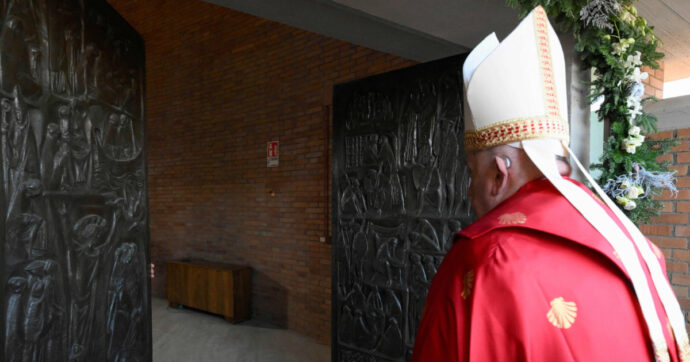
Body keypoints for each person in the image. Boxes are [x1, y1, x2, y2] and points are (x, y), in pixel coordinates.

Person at [411, 6, 689, 362]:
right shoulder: (633, 244)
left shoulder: (485, 258)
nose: (468, 190)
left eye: (471, 172)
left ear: (499, 173)